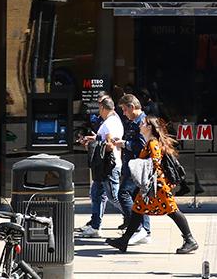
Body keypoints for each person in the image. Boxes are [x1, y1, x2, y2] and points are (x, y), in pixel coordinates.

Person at [106, 116, 198, 254]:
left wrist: (136, 164)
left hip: (157, 186)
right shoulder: (151, 142)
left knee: (172, 211)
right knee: (138, 210)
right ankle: (124, 241)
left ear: (149, 127)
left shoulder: (153, 143)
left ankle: (190, 240)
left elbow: (155, 162)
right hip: (153, 185)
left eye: (143, 123)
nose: (141, 125)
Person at [77, 96, 124, 238]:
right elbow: (104, 138)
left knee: (114, 196)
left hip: (108, 166)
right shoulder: (114, 120)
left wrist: (97, 145)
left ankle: (137, 218)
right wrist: (92, 138)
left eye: (99, 108)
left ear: (103, 108)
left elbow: (109, 143)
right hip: (105, 165)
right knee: (97, 194)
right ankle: (95, 226)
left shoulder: (109, 123)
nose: (99, 111)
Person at [115, 94, 151, 245]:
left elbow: (142, 145)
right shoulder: (133, 122)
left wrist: (125, 144)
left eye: (124, 110)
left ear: (131, 107)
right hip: (133, 165)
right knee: (139, 197)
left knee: (123, 193)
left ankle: (138, 228)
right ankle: (145, 231)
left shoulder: (141, 122)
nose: (123, 113)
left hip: (137, 166)